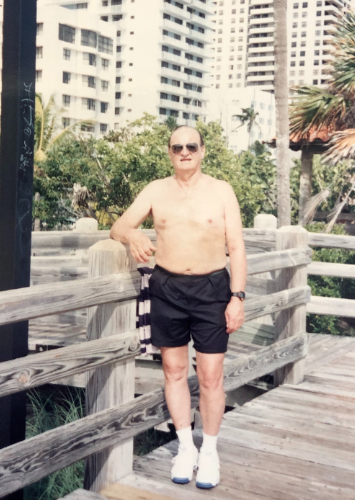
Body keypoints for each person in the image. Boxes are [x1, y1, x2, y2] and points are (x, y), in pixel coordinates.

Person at [110, 125, 247, 489]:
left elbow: (237, 247)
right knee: (173, 370)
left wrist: (237, 297)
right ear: (169, 153)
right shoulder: (156, 190)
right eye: (177, 147)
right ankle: (186, 447)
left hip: (212, 289)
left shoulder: (221, 190)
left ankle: (210, 451)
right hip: (167, 287)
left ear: (202, 151)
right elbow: (118, 227)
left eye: (191, 146)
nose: (184, 152)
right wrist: (133, 234)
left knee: (211, 375)